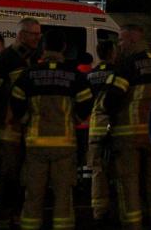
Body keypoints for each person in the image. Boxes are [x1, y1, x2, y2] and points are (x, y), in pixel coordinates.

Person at [91, 25, 151, 229]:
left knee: (129, 183)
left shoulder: (127, 66)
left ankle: (133, 224)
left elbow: (111, 99)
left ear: (132, 41)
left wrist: (101, 107)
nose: (118, 45)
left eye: (121, 41)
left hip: (128, 135)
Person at [11, 30, 92, 230]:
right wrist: (75, 118)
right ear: (64, 48)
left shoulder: (29, 74)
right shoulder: (74, 76)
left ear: (43, 48)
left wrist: (26, 119)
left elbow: (16, 101)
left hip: (35, 145)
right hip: (64, 145)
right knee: (63, 196)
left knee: (33, 196)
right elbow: (87, 102)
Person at [0, 17, 42, 229]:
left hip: (19, 135)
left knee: (15, 188)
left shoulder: (29, 59)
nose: (39, 38)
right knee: (2, 188)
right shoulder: (6, 60)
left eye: (39, 34)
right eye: (34, 34)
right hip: (3, 136)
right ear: (21, 35)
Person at [87, 39, 117, 221]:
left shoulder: (90, 75)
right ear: (112, 53)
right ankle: (119, 209)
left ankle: (99, 211)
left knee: (98, 172)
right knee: (121, 171)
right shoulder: (118, 74)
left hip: (95, 128)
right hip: (115, 127)